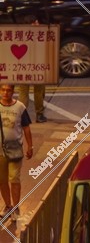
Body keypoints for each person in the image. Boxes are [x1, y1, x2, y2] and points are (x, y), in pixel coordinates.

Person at [0, 83, 33, 221]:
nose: (6, 92)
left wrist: (30, 146)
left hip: (15, 149)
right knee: (2, 180)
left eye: (9, 90)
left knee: (14, 178)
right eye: (3, 90)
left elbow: (26, 128)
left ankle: (16, 207)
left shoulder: (20, 107)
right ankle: (8, 206)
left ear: (13, 91)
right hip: (0, 151)